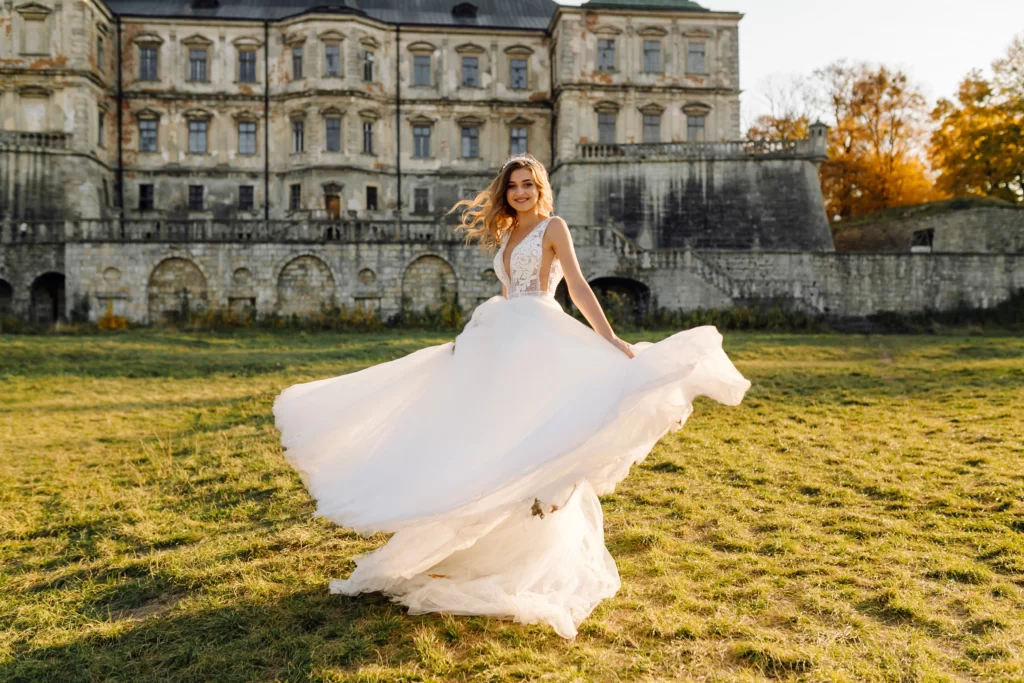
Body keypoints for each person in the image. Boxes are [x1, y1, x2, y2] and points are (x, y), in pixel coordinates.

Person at [273, 153, 751, 639]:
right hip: (502, 336)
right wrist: (473, 337)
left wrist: (609, 338)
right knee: (490, 438)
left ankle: (534, 543)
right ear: (505, 193)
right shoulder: (506, 235)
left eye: (527, 184)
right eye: (513, 186)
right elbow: (505, 296)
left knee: (539, 435)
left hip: (540, 335)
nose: (520, 192)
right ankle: (482, 539)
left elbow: (579, 287)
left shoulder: (553, 227)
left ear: (540, 187)